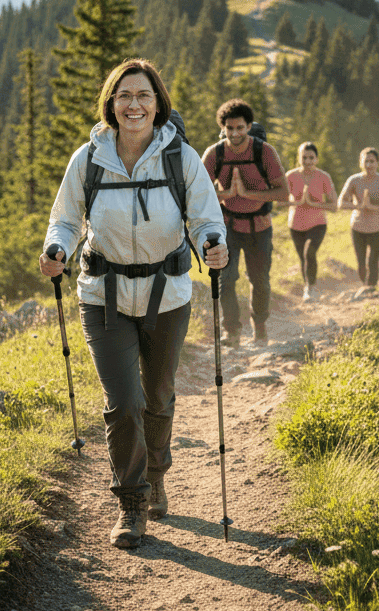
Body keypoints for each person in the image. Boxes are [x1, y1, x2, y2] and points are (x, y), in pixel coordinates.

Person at [40, 58, 228, 551]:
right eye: (125, 96)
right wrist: (56, 249)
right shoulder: (88, 158)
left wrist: (213, 242)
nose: (134, 104)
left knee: (159, 395)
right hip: (103, 295)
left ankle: (157, 472)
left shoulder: (179, 157)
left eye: (143, 96)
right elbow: (64, 220)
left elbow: (207, 217)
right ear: (111, 104)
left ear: (158, 103)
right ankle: (131, 500)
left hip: (167, 294)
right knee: (124, 403)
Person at [202, 99, 289, 348]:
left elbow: (283, 192)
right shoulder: (215, 154)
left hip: (260, 226)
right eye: (230, 128)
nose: (235, 133)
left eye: (240, 127)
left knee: (259, 280)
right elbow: (197, 192)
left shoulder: (264, 152)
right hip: (227, 225)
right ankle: (232, 332)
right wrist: (227, 195)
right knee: (226, 279)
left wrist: (249, 194)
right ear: (223, 128)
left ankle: (259, 326)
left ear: (249, 126)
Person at [285, 141, 337, 301]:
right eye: (304, 157)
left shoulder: (323, 177)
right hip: (296, 224)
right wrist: (298, 202)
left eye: (311, 158)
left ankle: (310, 288)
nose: (307, 161)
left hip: (317, 223)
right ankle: (308, 286)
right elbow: (279, 201)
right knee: (303, 258)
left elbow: (334, 205)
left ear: (317, 159)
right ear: (299, 158)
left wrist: (314, 203)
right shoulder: (291, 176)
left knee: (310, 252)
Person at [338, 147, 379, 289]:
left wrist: (372, 207)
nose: (369, 165)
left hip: (378, 228)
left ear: (377, 163)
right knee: (361, 263)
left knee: (373, 261)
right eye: (366, 161)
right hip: (358, 228)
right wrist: (358, 206)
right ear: (360, 163)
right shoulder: (354, 180)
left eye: (372, 161)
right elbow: (341, 203)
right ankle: (365, 286)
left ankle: (372, 288)